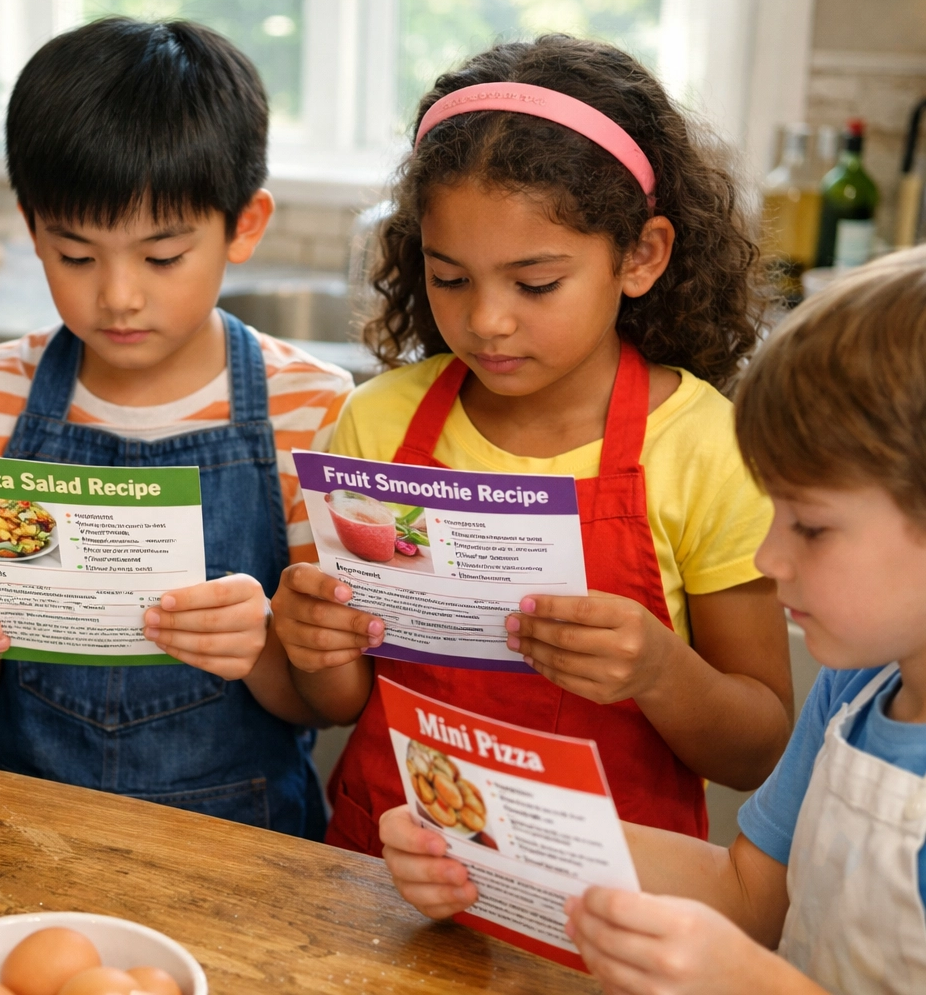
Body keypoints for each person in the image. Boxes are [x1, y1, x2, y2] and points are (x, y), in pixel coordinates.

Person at [272, 35, 795, 853]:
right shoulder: (376, 423)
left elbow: (758, 752)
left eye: (536, 283)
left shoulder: (703, 449)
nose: (487, 320)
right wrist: (312, 641)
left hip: (607, 900)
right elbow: (342, 703)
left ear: (641, 256)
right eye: (450, 278)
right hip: (388, 868)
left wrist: (660, 671)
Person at [387, 249, 926, 995]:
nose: (769, 558)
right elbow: (746, 894)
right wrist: (479, 832)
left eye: (811, 526)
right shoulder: (856, 690)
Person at [0, 18, 354, 837]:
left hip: (237, 840)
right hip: (13, 820)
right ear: (32, 228)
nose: (117, 296)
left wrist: (261, 643)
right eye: (76, 256)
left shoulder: (311, 409)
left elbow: (329, 702)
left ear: (245, 226)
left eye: (162, 257)